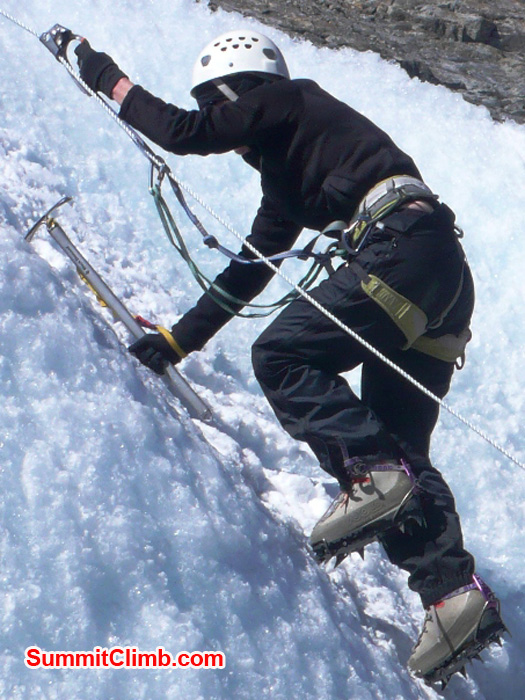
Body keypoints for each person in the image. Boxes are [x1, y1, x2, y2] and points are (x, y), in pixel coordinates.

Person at [74, 30, 506, 685]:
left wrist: (105, 76)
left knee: (279, 356)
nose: (235, 139)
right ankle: (452, 594)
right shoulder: (287, 178)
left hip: (397, 247)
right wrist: (175, 341)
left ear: (240, 89)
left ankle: (369, 477)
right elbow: (249, 269)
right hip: (437, 269)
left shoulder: (286, 97)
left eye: (223, 106)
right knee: (399, 450)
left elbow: (183, 131)